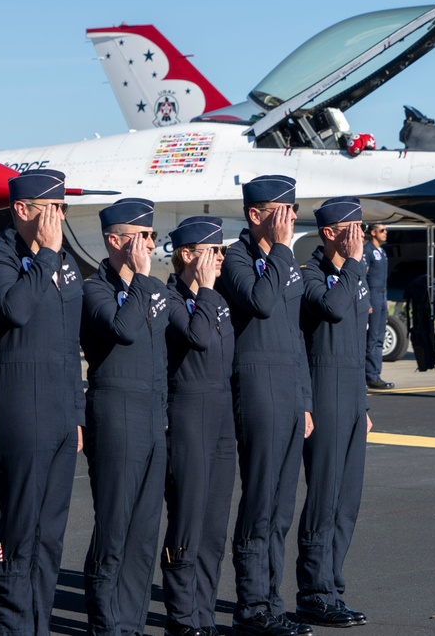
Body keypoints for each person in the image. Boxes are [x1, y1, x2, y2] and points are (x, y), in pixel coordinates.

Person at [0, 169, 85, 635]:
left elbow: (71, 339)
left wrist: (77, 413)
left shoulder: (65, 262)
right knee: (22, 529)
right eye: (51, 208)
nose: (58, 218)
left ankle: (38, 623)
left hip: (60, 406)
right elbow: (14, 310)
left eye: (62, 209)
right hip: (20, 400)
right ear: (22, 210)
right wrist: (47, 256)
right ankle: (15, 627)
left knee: (51, 534)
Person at [218, 175, 313, 636]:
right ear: (256, 215)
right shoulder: (235, 259)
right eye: (284, 211)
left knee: (280, 508)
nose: (292, 219)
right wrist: (279, 250)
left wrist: (305, 400)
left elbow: (295, 336)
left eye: (293, 211)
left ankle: (274, 600)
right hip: (255, 389)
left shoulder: (284, 260)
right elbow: (259, 301)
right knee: (259, 503)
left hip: (289, 394)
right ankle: (252, 606)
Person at [80, 198, 169, 636]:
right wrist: (142, 279)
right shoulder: (94, 289)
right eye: (141, 237)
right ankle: (105, 621)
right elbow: (124, 329)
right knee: (114, 527)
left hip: (153, 416)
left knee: (143, 532)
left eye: (151, 237)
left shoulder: (154, 288)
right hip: (116, 414)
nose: (149, 245)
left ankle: (131, 622)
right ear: (114, 241)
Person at [295, 197, 373, 628]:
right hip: (322, 394)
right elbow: (334, 307)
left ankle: (332, 586)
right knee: (323, 499)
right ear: (329, 233)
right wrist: (354, 264)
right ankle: (313, 591)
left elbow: (358, 343)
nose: (359, 233)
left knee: (347, 501)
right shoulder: (310, 277)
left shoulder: (355, 276)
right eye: (352, 227)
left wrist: (364, 402)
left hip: (351, 397)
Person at [161, 217, 236, 636]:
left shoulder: (219, 300)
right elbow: (198, 337)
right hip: (188, 414)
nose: (221, 258)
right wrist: (205, 289)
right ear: (188, 255)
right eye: (214, 251)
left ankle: (204, 615)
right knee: (188, 520)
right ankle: (183, 617)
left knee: (212, 526)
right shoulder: (170, 297)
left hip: (221, 416)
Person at [363, 223, 394, 390]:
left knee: (380, 337)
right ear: (373, 232)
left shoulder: (382, 252)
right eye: (382, 230)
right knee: (372, 337)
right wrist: (367, 300)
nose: (385, 233)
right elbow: (364, 276)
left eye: (386, 230)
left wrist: (386, 299)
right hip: (373, 295)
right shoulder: (367, 251)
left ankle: (376, 373)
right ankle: (369, 376)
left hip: (382, 295)